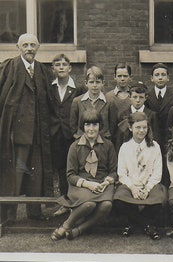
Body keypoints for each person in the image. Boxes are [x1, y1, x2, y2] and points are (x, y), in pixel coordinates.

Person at [0, 33, 53, 221]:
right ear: (18, 47)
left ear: (38, 48)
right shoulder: (9, 67)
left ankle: (35, 212)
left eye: (33, 45)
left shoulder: (42, 70)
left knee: (35, 175)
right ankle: (8, 215)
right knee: (14, 175)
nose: (29, 48)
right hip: (17, 134)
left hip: (38, 133)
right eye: (25, 45)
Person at [51, 110, 117, 240]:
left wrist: (107, 182)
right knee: (89, 204)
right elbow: (70, 175)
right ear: (82, 126)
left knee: (106, 205)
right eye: (87, 125)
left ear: (100, 126)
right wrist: (88, 184)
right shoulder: (75, 146)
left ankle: (79, 229)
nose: (91, 129)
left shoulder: (108, 145)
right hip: (81, 184)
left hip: (102, 184)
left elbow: (114, 171)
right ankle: (66, 226)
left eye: (95, 125)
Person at [113, 112, 165, 240]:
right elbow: (122, 174)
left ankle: (132, 224)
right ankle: (147, 225)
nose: (142, 131)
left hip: (148, 184)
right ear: (130, 128)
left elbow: (157, 173)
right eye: (138, 127)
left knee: (159, 200)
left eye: (144, 127)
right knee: (119, 200)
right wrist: (133, 188)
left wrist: (147, 188)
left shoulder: (154, 146)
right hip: (131, 185)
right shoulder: (125, 147)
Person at [49, 53, 85, 216]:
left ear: (70, 68)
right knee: (61, 168)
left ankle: (78, 202)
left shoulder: (78, 88)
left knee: (74, 169)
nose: (61, 67)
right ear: (53, 69)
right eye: (57, 64)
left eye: (64, 64)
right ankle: (65, 203)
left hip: (73, 136)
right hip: (55, 135)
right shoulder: (50, 87)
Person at [145, 63, 173, 187]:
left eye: (163, 75)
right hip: (152, 137)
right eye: (157, 75)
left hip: (168, 137)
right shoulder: (147, 96)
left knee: (167, 165)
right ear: (152, 78)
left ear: (168, 78)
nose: (160, 78)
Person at [70, 66, 114, 141]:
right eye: (91, 82)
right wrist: (79, 137)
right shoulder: (77, 101)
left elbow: (113, 125)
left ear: (103, 83)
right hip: (83, 142)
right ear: (86, 83)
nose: (94, 85)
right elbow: (73, 125)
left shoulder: (109, 102)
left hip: (103, 142)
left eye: (97, 82)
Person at [116, 82, 159, 151]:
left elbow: (156, 137)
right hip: (128, 151)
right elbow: (119, 138)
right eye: (135, 97)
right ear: (129, 97)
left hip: (147, 151)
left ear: (146, 98)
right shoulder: (124, 114)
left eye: (141, 97)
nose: (138, 100)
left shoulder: (152, 115)